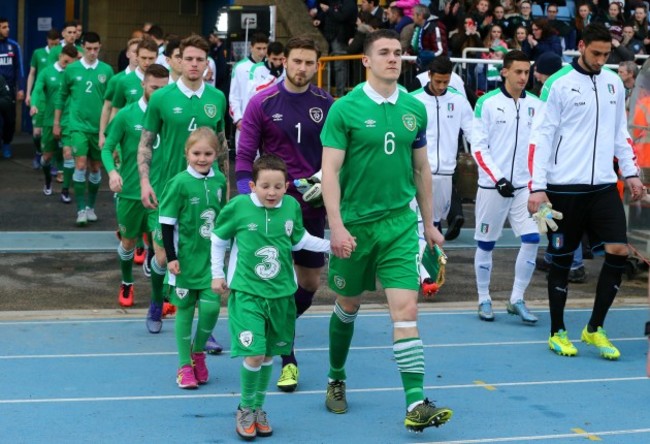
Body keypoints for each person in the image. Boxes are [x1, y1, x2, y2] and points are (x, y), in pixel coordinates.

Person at [320, 29, 453, 432]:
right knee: (349, 304)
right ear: (366, 60)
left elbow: (421, 169)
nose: (393, 59)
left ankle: (415, 404)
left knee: (406, 310)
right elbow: (330, 170)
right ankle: (336, 377)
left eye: (398, 53)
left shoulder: (415, 108)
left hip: (399, 226)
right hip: (355, 228)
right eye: (384, 53)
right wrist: (337, 226)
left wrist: (429, 224)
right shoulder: (344, 109)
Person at [528, 23, 645, 360]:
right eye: (596, 54)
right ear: (581, 46)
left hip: (604, 185)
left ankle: (594, 328)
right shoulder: (558, 84)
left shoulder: (612, 83)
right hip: (563, 188)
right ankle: (557, 331)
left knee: (619, 251)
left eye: (606, 54)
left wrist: (631, 173)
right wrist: (537, 188)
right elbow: (542, 138)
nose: (601, 60)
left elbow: (619, 133)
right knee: (562, 261)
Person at [211, 154, 336, 440]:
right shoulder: (239, 207)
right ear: (253, 185)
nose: (271, 192)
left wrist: (331, 244)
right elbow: (218, 239)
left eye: (278, 186)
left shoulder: (292, 206)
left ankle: (257, 408)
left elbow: (299, 239)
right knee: (254, 353)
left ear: (287, 186)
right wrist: (216, 274)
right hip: (247, 293)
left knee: (268, 355)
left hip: (281, 295)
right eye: (265, 186)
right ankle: (244, 407)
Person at [236, 36, 334, 393]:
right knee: (276, 285)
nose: (302, 68)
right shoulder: (262, 101)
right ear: (285, 62)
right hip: (273, 209)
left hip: (311, 206)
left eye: (309, 63)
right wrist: (249, 197)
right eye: (297, 61)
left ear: (316, 65)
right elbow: (245, 156)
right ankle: (288, 358)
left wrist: (325, 181)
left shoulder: (327, 103)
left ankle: (276, 332)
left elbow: (338, 153)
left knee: (308, 284)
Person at [138, 34, 228, 341]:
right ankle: (155, 301)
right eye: (187, 58)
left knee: (203, 259)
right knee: (163, 258)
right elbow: (146, 143)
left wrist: (226, 190)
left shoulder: (217, 98)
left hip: (204, 195)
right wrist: (145, 182)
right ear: (176, 60)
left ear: (207, 63)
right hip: (167, 191)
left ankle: (203, 330)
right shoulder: (162, 98)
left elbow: (223, 147)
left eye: (199, 59)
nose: (193, 64)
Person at [472, 50, 541, 324]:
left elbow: (540, 147)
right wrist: (498, 178)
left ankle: (516, 298)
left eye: (527, 72)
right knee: (486, 243)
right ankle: (483, 298)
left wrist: (538, 183)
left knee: (533, 238)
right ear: (504, 72)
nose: (523, 77)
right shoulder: (486, 103)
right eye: (518, 72)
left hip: (524, 187)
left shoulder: (536, 105)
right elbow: (478, 147)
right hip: (493, 186)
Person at [157, 127, 228, 390]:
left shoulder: (220, 181)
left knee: (211, 308)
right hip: (184, 261)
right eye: (196, 153)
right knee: (185, 311)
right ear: (187, 153)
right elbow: (166, 223)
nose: (202, 158)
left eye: (208, 153)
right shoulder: (178, 183)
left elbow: (223, 218)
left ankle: (198, 352)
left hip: (211, 261)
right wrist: (171, 257)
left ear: (216, 154)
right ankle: (184, 365)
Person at [101, 64, 170, 308]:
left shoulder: (171, 114)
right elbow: (108, 148)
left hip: (161, 194)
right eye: (154, 87)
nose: (159, 92)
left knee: (161, 250)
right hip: (130, 192)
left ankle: (157, 299)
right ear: (143, 85)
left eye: (164, 88)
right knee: (128, 242)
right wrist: (112, 173)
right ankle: (127, 281)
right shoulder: (126, 115)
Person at [411, 55, 473, 273]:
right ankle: (420, 273)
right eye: (438, 81)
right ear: (429, 75)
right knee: (418, 223)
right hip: (417, 172)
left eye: (446, 82)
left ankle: (431, 270)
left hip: (445, 174)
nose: (441, 86)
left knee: (435, 224)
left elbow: (474, 133)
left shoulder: (458, 101)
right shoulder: (414, 100)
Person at [54, 31, 114, 226]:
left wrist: (108, 129)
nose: (92, 52)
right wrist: (57, 122)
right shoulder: (72, 70)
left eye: (96, 49)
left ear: (100, 47)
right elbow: (62, 97)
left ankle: (91, 207)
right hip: (77, 126)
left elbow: (111, 102)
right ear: (83, 47)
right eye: (88, 49)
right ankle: (80, 209)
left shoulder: (106, 70)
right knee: (80, 164)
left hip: (98, 128)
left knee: (96, 167)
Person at [29, 44, 78, 197]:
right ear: (60, 57)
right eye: (66, 62)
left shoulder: (74, 74)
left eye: (72, 62)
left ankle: (65, 190)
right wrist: (34, 104)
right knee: (47, 157)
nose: (68, 66)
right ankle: (48, 180)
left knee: (68, 154)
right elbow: (37, 89)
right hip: (50, 120)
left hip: (68, 120)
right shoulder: (46, 72)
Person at [26, 28, 60, 169]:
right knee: (37, 133)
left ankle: (52, 159)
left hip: (54, 98)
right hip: (40, 97)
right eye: (52, 43)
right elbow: (32, 73)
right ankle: (39, 151)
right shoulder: (38, 53)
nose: (54, 47)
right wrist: (29, 93)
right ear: (47, 41)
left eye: (56, 44)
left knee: (55, 131)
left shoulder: (61, 53)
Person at [229, 33, 269, 152]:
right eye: (258, 48)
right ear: (251, 47)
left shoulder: (272, 67)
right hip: (246, 123)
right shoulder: (240, 67)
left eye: (264, 48)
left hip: (268, 123)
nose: (262, 52)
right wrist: (238, 119)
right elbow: (233, 96)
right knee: (245, 161)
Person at [111, 38, 158, 113]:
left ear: (157, 57)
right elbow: (116, 111)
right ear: (137, 56)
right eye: (143, 58)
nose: (147, 62)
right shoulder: (123, 81)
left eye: (151, 58)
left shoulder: (164, 81)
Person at [0, 17, 25, 159]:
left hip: (9, 89)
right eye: (3, 27)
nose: (7, 29)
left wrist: (21, 88)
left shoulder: (13, 45)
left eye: (7, 26)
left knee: (9, 120)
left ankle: (7, 144)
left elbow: (19, 68)